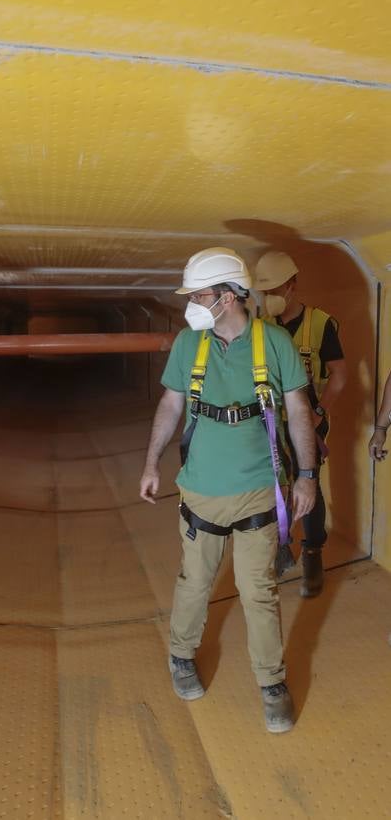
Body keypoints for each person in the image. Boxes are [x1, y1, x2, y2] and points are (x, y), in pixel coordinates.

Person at [139, 247, 317, 733]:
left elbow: (299, 412)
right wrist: (152, 462)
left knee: (258, 591)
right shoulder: (187, 344)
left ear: (229, 296)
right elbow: (171, 407)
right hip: (200, 493)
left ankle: (271, 683)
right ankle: (181, 656)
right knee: (194, 583)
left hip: (259, 491)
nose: (192, 303)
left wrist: (306, 475)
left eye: (199, 294)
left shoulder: (274, 343)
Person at [254, 251, 347, 597]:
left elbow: (340, 375)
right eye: (264, 291)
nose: (269, 297)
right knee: (273, 486)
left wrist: (319, 411)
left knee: (308, 484)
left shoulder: (321, 324)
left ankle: (312, 552)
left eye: (275, 288)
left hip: (308, 420)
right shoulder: (258, 325)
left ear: (292, 286)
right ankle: (278, 547)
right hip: (269, 421)